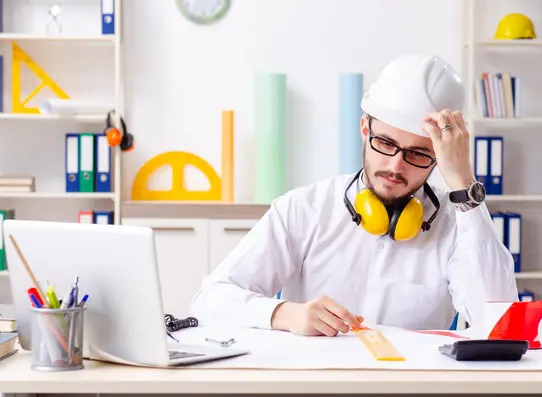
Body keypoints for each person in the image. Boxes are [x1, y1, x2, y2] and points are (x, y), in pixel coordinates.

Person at [190, 53, 518, 336]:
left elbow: (501, 325)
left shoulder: (456, 221)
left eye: (418, 154)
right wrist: (286, 314)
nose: (395, 165)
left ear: (439, 158)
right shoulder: (304, 209)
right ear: (365, 129)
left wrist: (464, 183)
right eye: (386, 143)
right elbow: (209, 301)